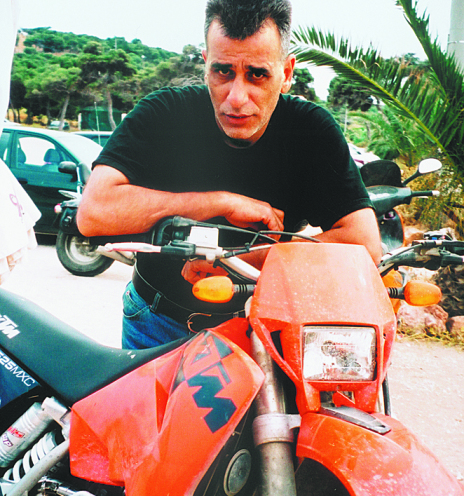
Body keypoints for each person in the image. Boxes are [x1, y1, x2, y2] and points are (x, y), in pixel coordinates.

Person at [77, 0, 382, 349]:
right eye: (223, 71)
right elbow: (93, 214)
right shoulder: (164, 113)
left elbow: (363, 243)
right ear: (206, 64)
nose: (236, 98)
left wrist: (236, 261)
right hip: (156, 324)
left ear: (286, 73)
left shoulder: (311, 131)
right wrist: (220, 202)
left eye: (257, 74)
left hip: (264, 330)